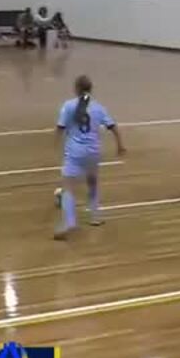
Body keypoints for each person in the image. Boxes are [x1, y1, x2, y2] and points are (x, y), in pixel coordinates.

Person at [53, 75, 125, 239]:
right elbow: (113, 127)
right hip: (93, 152)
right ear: (91, 89)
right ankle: (95, 217)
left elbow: (60, 127)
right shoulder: (98, 108)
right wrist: (120, 145)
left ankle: (70, 222)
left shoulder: (68, 106)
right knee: (92, 183)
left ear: (76, 88)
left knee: (68, 188)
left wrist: (55, 145)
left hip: (75, 152)